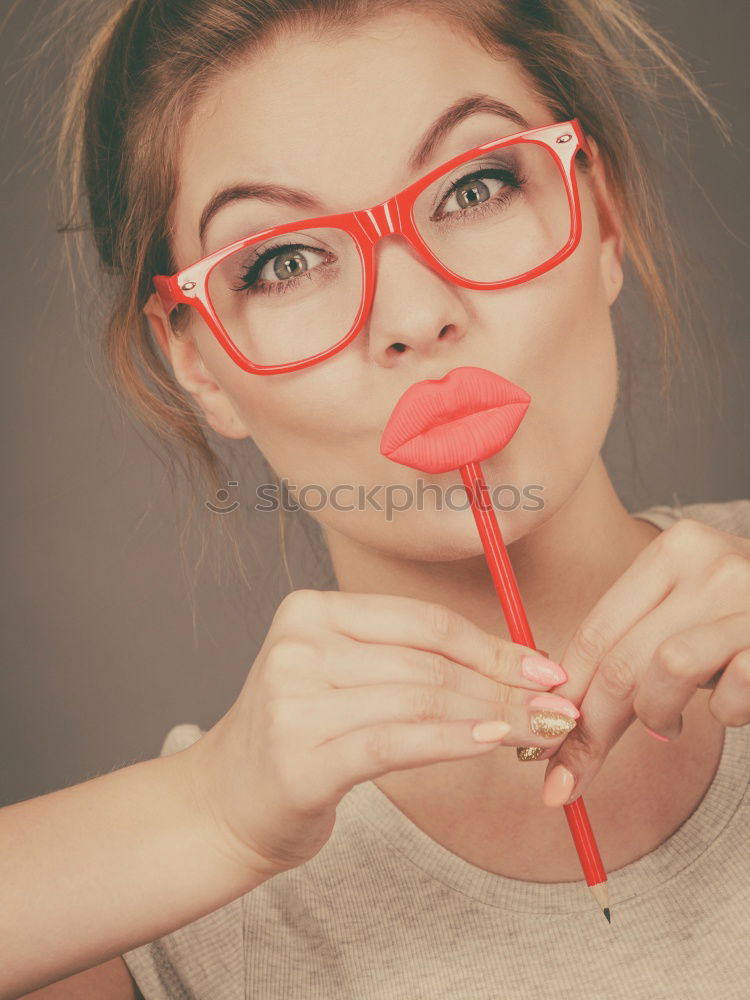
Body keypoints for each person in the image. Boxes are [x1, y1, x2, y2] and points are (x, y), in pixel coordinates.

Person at [3, 0, 749, 997]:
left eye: (475, 186)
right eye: (285, 261)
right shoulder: (174, 908)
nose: (413, 314)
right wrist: (208, 816)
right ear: (201, 366)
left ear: (600, 217)